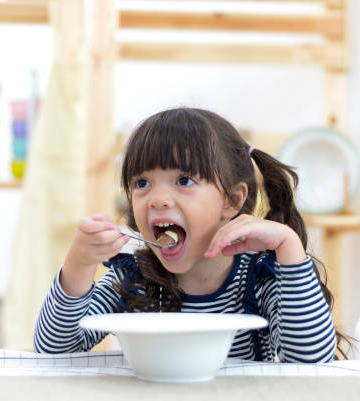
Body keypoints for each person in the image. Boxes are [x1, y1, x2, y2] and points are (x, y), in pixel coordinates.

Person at [34, 107, 343, 362]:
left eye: (183, 180)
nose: (157, 199)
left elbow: (312, 362)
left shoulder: (258, 278)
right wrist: (78, 264)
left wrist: (289, 246)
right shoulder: (135, 280)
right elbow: (55, 351)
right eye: (142, 183)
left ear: (232, 200)